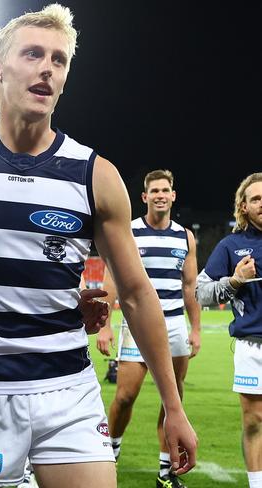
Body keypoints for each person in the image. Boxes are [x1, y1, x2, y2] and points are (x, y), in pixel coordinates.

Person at [0, 5, 197, 487]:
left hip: (67, 390)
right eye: (32, 54)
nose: (47, 68)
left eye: (60, 59)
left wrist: (173, 406)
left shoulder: (95, 174)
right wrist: (15, 296)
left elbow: (135, 293)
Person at [96, 169, 201, 488]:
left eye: (165, 189)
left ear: (173, 195)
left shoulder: (185, 236)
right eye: (153, 190)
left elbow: (190, 285)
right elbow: (112, 276)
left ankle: (166, 472)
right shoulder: (129, 230)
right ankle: (109, 457)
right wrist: (105, 326)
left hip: (173, 324)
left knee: (174, 400)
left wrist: (194, 328)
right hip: (137, 324)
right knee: (126, 396)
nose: (159, 194)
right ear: (144, 197)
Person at [196, 172, 262, 488]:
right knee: (254, 422)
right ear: (244, 206)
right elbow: (201, 293)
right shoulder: (231, 245)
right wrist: (235, 280)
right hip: (252, 347)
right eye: (256, 198)